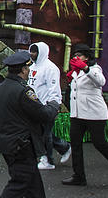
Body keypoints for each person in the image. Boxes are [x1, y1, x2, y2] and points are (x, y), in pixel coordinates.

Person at [62, 44, 108, 187]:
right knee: (76, 144)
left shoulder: (95, 69)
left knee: (100, 144)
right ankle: (79, 176)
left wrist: (86, 68)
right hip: (77, 114)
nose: (76, 58)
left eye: (80, 55)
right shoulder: (75, 72)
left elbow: (101, 81)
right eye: (74, 55)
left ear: (87, 57)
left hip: (94, 114)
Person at [0, 50, 59, 198]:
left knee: (34, 186)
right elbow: (43, 114)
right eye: (27, 68)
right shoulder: (23, 91)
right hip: (21, 145)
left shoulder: (1, 88)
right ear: (23, 70)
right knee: (20, 183)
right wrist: (54, 105)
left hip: (8, 143)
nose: (29, 71)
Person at [28, 42, 71, 170]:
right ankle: (65, 147)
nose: (32, 54)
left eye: (35, 52)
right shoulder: (32, 67)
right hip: (34, 105)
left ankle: (48, 160)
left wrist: (54, 104)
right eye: (31, 51)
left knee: (45, 134)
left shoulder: (50, 68)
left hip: (47, 105)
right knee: (41, 132)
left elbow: (54, 88)